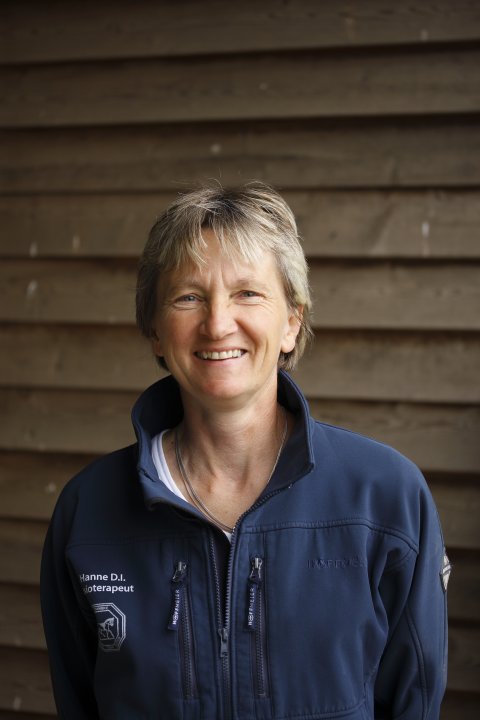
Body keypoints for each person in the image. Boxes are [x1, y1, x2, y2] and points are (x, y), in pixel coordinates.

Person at [41, 182, 449, 719]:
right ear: (155, 330)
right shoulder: (87, 510)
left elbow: (414, 700)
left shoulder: (386, 497)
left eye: (248, 294)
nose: (217, 323)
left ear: (292, 322)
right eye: (188, 297)